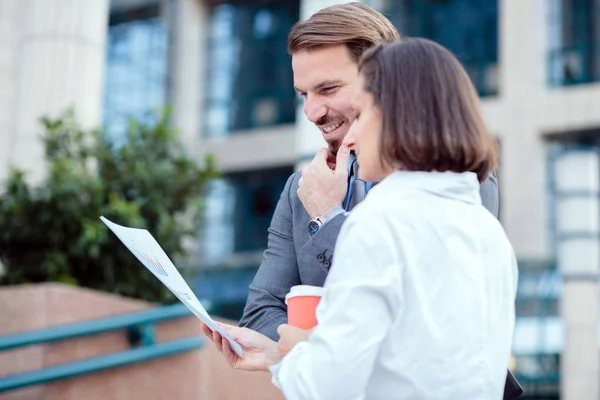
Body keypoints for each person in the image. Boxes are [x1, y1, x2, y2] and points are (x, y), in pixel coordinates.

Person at [202, 38, 518, 399]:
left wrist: (306, 351)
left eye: (362, 110)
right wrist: (283, 355)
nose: (351, 134)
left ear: (401, 115)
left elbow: (325, 387)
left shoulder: (381, 222)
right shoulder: (489, 233)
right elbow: (411, 357)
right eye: (303, 94)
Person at [237, 1, 499, 342]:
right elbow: (259, 313)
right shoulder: (301, 189)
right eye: (303, 94)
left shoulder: (458, 180)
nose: (312, 112)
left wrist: (328, 218)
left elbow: (421, 308)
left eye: (328, 89)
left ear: (383, 82)